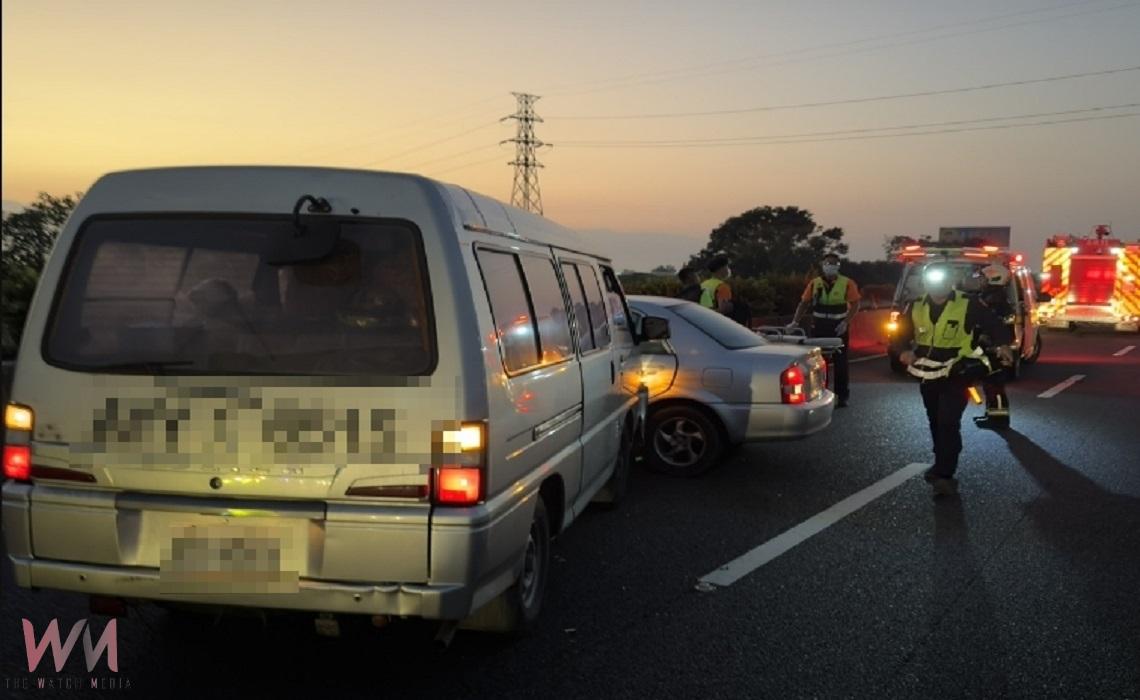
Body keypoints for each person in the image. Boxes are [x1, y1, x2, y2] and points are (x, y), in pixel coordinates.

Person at [891, 261, 1011, 497]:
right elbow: (899, 335)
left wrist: (1003, 345)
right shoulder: (915, 306)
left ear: (951, 282)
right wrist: (903, 350)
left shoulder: (969, 303)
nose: (939, 285)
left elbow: (994, 325)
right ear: (925, 283)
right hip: (927, 373)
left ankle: (945, 474)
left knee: (948, 421)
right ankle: (941, 461)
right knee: (935, 420)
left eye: (944, 280)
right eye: (934, 281)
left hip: (957, 371)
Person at [789, 253, 861, 407]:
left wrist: (846, 322)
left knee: (841, 364)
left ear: (839, 266)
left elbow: (855, 304)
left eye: (834, 263)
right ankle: (819, 394)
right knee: (817, 363)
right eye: (828, 263)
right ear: (823, 265)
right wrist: (795, 322)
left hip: (838, 328)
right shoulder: (815, 284)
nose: (831, 266)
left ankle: (842, 397)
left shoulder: (847, 283)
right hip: (819, 327)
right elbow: (804, 303)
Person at [968, 264, 1016, 430]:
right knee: (990, 383)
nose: (980, 282)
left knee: (994, 383)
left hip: (994, 349)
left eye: (983, 278)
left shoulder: (994, 300)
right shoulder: (993, 297)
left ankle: (999, 420)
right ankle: (992, 415)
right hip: (992, 348)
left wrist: (984, 340)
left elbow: (993, 326)